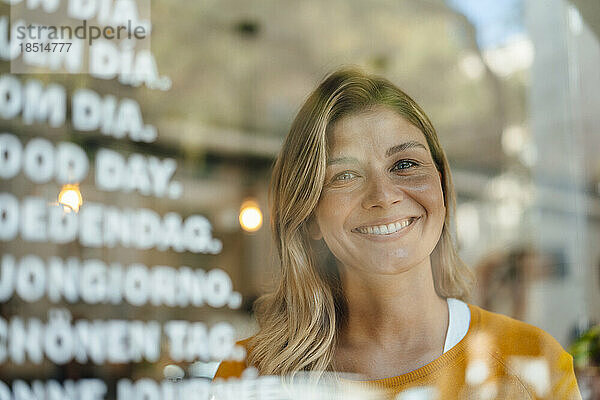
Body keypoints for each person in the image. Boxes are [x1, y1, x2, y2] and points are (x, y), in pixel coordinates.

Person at [214, 67, 581, 399]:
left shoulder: (533, 362)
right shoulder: (249, 376)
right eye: (345, 175)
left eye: (405, 165)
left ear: (441, 187)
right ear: (309, 216)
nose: (384, 196)